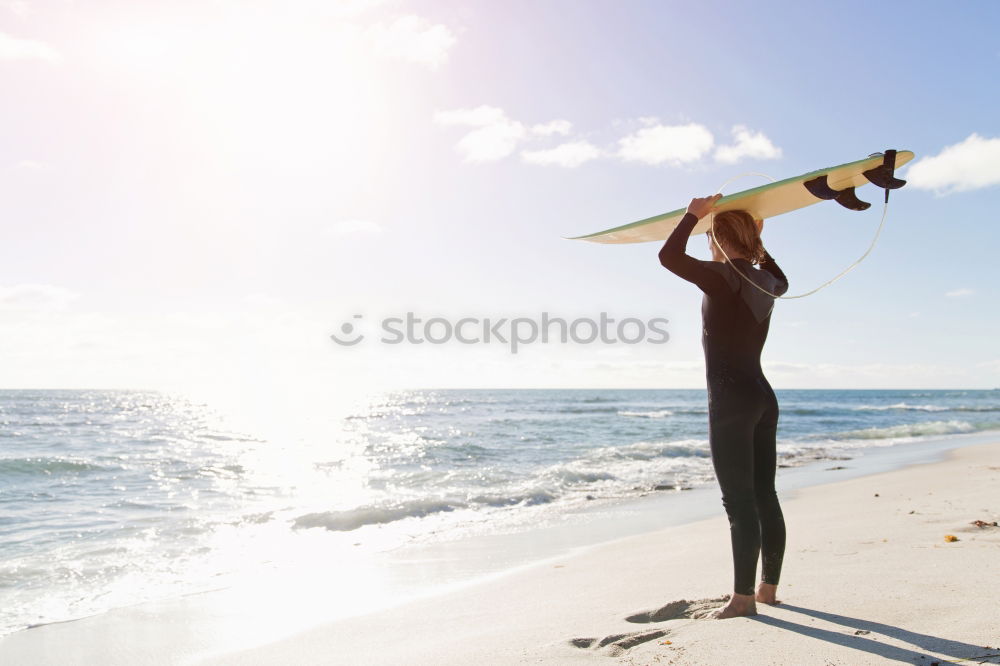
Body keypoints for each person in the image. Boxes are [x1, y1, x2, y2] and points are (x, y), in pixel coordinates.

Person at [657, 193, 789, 619]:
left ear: (715, 237)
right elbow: (782, 278)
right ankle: (767, 589)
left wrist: (692, 215)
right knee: (765, 495)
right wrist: (756, 243)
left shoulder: (722, 276)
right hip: (763, 397)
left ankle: (742, 599)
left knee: (739, 502)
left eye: (710, 236)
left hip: (731, 400)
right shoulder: (765, 282)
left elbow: (669, 257)